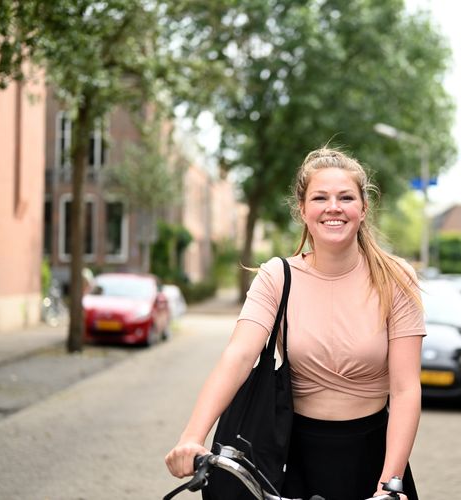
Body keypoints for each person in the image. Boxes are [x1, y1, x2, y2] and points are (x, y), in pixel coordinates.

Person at [165, 147, 425, 500]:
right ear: (302, 210)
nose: (333, 207)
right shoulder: (277, 276)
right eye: (320, 197)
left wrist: (389, 483)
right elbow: (238, 357)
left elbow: (406, 388)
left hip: (375, 460)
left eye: (345, 197)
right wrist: (192, 436)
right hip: (291, 460)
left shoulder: (395, 279)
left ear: (363, 208)